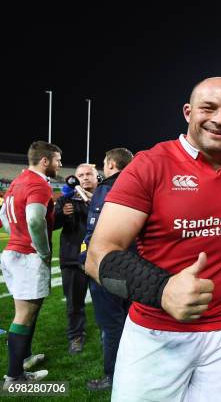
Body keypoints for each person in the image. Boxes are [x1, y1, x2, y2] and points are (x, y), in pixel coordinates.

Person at [85, 77, 221, 402]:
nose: (220, 119)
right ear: (188, 111)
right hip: (155, 332)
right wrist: (162, 289)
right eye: (208, 108)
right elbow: (98, 256)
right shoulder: (150, 165)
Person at [0, 141, 62, 387]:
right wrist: (43, 250)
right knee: (24, 315)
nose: (59, 163)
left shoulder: (17, 182)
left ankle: (23, 357)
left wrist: (16, 234)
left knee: (27, 312)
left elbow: (4, 216)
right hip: (27, 256)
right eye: (58, 159)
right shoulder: (38, 184)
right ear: (44, 161)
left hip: (13, 252)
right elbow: (35, 220)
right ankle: (14, 377)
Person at [79, 148, 134, 391]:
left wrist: (86, 260)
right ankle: (135, 372)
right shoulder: (138, 184)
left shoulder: (108, 187)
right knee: (132, 322)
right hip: (136, 266)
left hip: (109, 267)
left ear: (111, 163)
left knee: (111, 325)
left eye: (103, 163)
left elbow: (98, 232)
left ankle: (113, 377)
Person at [54, 163, 98, 354]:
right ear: (75, 178)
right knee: (74, 303)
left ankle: (111, 334)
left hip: (99, 258)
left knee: (109, 301)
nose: (85, 177)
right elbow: (53, 224)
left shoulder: (105, 198)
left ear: (98, 177)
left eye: (89, 174)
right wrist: (60, 214)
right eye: (81, 174)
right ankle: (76, 336)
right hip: (72, 259)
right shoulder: (66, 199)